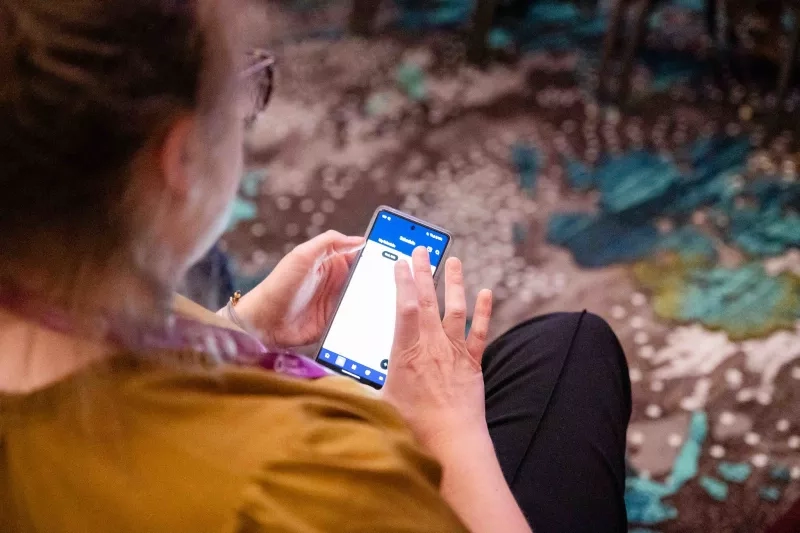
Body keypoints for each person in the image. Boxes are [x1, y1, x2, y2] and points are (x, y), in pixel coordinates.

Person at [0, 1, 631, 532]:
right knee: (575, 346)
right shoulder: (305, 479)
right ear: (183, 158)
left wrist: (242, 329)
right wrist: (449, 431)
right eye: (244, 89)